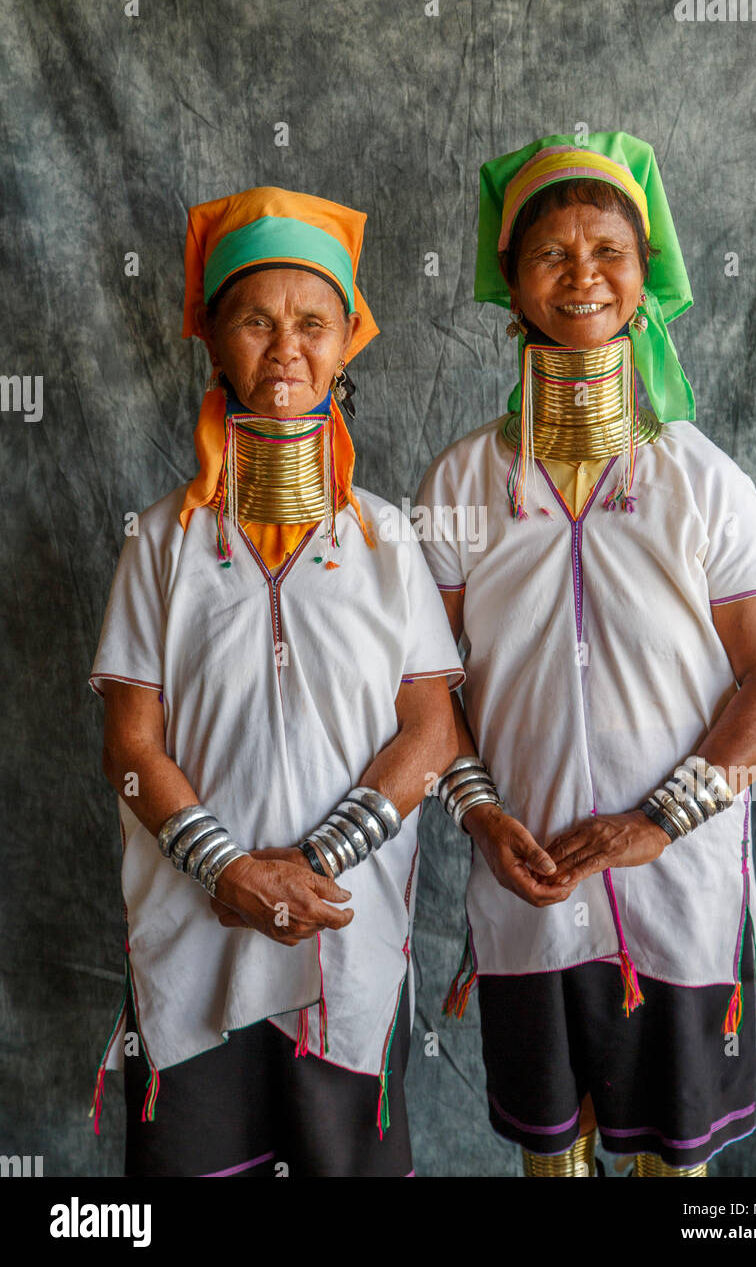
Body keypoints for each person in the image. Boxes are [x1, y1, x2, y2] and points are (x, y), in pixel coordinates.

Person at [416, 132, 756, 1177]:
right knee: (552, 1159)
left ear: (645, 282)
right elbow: (421, 687)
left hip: (676, 889)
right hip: (526, 882)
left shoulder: (699, 478)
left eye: (607, 251)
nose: (581, 273)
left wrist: (653, 822)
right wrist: (478, 812)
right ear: (510, 285)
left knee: (672, 1163)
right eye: (551, 252)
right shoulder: (461, 484)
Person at [88, 186, 462, 1177]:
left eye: (312, 323)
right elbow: (130, 742)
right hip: (193, 923)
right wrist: (230, 872)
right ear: (213, 337)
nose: (286, 349)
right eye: (256, 320)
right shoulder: (162, 538)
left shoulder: (385, 537)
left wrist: (313, 864)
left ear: (346, 342)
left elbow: (431, 731)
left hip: (345, 922)